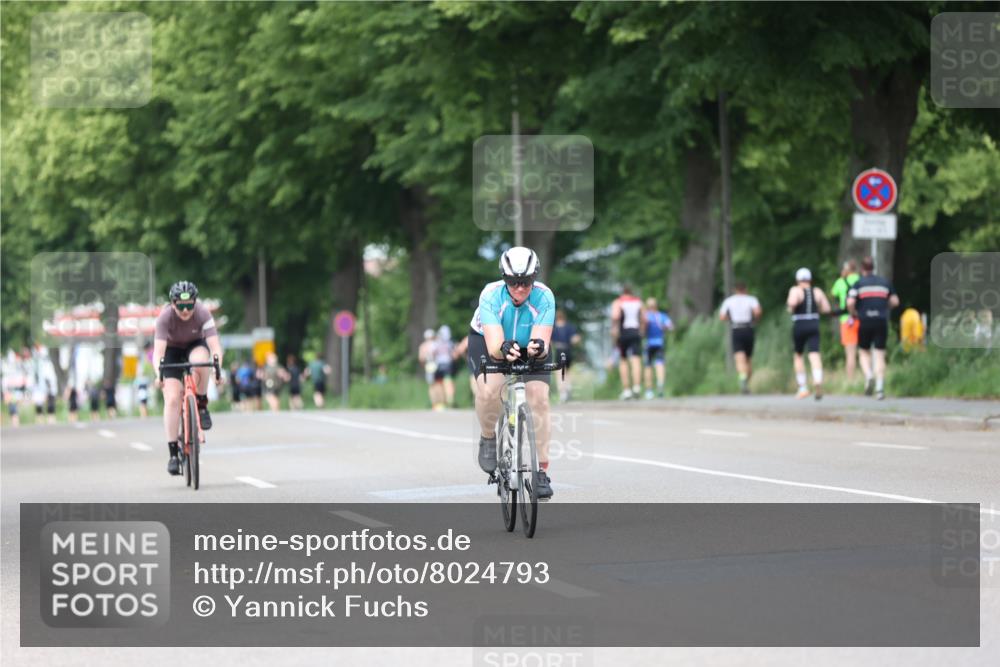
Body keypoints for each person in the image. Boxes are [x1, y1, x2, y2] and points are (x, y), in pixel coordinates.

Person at [467, 246, 555, 499]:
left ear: (534, 278)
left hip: (528, 343)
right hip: (488, 341)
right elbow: (495, 347)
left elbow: (542, 342)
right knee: (489, 391)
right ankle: (488, 437)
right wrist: (503, 348)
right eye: (513, 282)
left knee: (539, 398)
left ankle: (541, 472)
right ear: (504, 279)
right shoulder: (491, 295)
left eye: (526, 282)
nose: (519, 288)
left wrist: (538, 349)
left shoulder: (544, 296)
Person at [153, 280, 224, 476]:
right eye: (180, 306)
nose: (185, 310)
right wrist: (158, 374)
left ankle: (200, 404)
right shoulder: (164, 318)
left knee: (201, 361)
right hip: (171, 351)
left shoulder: (203, 313)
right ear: (173, 303)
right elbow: (158, 352)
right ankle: (173, 454)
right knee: (173, 399)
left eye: (189, 305)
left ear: (195, 302)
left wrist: (219, 371)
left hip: (195, 344)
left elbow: (215, 347)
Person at [847, 257, 899, 400]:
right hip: (881, 321)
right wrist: (885, 307)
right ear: (873, 267)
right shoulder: (884, 283)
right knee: (880, 354)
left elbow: (850, 302)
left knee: (863, 352)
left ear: (862, 269)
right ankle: (880, 388)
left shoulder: (858, 284)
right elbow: (895, 301)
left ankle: (869, 375)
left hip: (864, 321)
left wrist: (854, 313)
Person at [786, 268, 832, 400]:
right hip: (814, 323)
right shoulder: (817, 291)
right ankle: (817, 380)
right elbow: (826, 309)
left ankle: (803, 387)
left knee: (798, 355)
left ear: (797, 280)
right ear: (810, 279)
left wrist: (791, 307)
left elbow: (792, 303)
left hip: (799, 323)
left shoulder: (795, 290)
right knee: (814, 354)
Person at [719, 282, 762, 394]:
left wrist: (731, 318)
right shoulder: (751, 299)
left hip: (736, 329)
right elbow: (757, 312)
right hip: (748, 328)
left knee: (739, 358)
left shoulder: (729, 301)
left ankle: (743, 380)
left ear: (735, 290)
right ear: (746, 289)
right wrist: (755, 320)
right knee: (748, 359)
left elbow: (722, 316)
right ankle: (746, 381)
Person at [610, 285, 646, 400]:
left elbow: (615, 316)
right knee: (636, 359)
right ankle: (636, 387)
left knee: (623, 360)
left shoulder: (618, 302)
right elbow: (644, 319)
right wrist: (642, 331)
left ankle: (626, 390)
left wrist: (614, 331)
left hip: (623, 333)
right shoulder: (638, 302)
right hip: (635, 332)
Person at [830, 260, 861, 382]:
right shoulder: (860, 279)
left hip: (847, 320)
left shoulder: (840, 281)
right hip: (862, 318)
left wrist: (842, 278)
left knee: (850, 353)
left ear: (846, 270)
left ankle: (850, 381)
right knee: (865, 350)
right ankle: (868, 377)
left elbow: (833, 294)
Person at [643, 298, 674, 399]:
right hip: (660, 343)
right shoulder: (661, 316)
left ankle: (649, 390)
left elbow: (641, 329)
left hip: (649, 343)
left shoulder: (645, 316)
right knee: (660, 364)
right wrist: (663, 328)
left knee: (648, 366)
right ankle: (660, 386)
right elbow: (670, 326)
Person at [551, 310, 581, 403]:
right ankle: (568, 386)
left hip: (559, 350)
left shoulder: (553, 328)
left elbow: (550, 341)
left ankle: (562, 392)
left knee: (559, 372)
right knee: (567, 371)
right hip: (568, 350)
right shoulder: (570, 326)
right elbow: (576, 338)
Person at [417, 328, 442, 410]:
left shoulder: (423, 346)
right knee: (438, 384)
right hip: (438, 365)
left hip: (429, 366)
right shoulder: (437, 344)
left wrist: (424, 365)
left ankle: (434, 404)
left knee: (432, 385)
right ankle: (440, 403)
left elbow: (421, 358)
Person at [433, 325, 456, 409]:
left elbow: (433, 352)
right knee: (448, 381)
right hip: (448, 363)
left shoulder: (437, 342)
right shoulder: (450, 342)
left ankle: (441, 402)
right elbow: (454, 354)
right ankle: (450, 400)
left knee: (439, 383)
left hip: (439, 364)